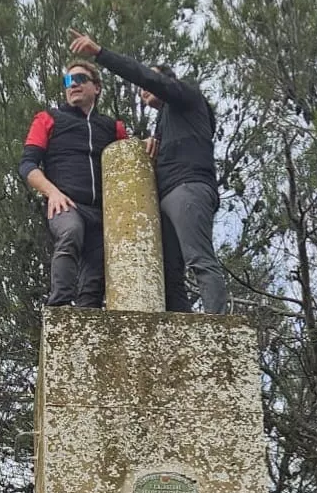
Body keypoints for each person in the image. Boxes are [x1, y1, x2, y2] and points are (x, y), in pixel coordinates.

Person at [69, 30, 227, 315]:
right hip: (166, 197)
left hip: (188, 188)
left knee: (199, 259)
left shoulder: (187, 97)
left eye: (152, 81)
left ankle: (217, 326)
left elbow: (147, 78)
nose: (144, 89)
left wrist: (100, 53)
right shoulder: (166, 123)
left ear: (169, 82)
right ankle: (183, 331)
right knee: (169, 274)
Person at [18, 61, 127, 309]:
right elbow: (27, 165)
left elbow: (129, 163)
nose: (73, 84)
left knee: (97, 269)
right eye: (68, 81)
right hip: (65, 202)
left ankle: (87, 319)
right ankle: (59, 307)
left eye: (80, 78)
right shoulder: (48, 118)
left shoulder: (113, 127)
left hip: (102, 210)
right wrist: (52, 192)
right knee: (71, 232)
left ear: (97, 88)